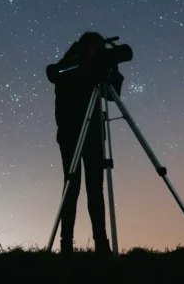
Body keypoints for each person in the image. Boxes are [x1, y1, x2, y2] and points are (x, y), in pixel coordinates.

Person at [46, 31, 123, 255]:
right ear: (86, 46)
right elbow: (55, 75)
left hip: (94, 134)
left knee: (95, 189)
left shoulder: (94, 68)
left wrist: (110, 68)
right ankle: (66, 243)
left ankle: (102, 243)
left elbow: (112, 95)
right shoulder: (70, 65)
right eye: (96, 48)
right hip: (71, 133)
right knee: (72, 186)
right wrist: (88, 67)